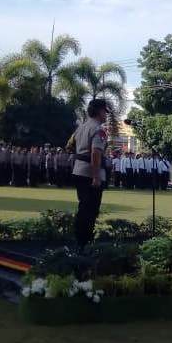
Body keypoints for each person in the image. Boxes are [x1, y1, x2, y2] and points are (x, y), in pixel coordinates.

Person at [70, 99, 109, 249]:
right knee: (90, 211)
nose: (106, 115)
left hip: (79, 170)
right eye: (105, 111)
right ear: (100, 111)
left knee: (83, 208)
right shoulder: (98, 129)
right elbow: (95, 153)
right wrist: (96, 176)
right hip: (89, 174)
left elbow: (71, 146)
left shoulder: (81, 127)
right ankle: (85, 244)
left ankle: (79, 241)